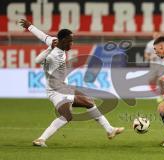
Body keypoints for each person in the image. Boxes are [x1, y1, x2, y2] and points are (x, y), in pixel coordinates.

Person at [19, 19, 124, 147]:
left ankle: (109, 130)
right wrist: (48, 50)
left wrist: (30, 27)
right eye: (70, 41)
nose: (72, 44)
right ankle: (41, 139)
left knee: (88, 101)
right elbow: (37, 60)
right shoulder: (53, 55)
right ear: (63, 41)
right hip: (56, 90)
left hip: (64, 87)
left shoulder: (54, 41)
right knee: (67, 116)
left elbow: (42, 36)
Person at [144, 32, 164, 102]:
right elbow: (146, 55)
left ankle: (163, 95)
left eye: (158, 35)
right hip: (153, 64)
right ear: (153, 36)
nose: (156, 36)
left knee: (160, 80)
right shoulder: (149, 44)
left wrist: (159, 55)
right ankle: (163, 93)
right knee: (151, 80)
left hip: (162, 64)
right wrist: (150, 57)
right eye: (155, 35)